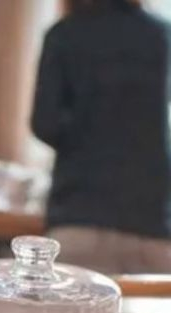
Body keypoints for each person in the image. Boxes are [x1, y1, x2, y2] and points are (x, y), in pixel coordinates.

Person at [31, 0, 171, 273]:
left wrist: (84, 140)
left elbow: (45, 124)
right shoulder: (161, 35)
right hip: (151, 221)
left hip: (79, 214)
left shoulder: (64, 35)